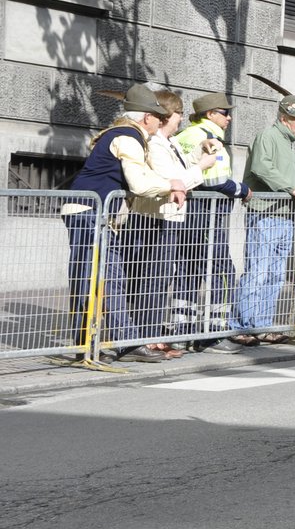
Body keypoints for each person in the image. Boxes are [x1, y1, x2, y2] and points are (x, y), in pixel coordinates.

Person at [61, 84, 191, 363]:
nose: (160, 120)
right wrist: (172, 184)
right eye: (157, 116)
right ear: (146, 117)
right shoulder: (130, 137)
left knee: (92, 278)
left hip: (90, 211)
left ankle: (87, 344)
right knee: (108, 278)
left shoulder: (120, 134)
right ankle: (125, 343)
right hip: (91, 212)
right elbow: (139, 183)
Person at [136, 88, 219, 357]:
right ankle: (146, 337)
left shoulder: (167, 142)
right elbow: (175, 180)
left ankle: (152, 335)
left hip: (170, 217)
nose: (181, 119)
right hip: (157, 216)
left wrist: (197, 153)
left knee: (161, 277)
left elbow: (179, 171)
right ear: (166, 115)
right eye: (179, 114)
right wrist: (203, 167)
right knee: (153, 278)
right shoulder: (156, 144)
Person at [229, 95, 295, 345]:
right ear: (284, 118)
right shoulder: (268, 136)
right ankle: (241, 326)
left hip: (284, 216)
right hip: (265, 214)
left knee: (275, 275)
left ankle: (262, 325)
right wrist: (289, 188)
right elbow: (261, 168)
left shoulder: (287, 143)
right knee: (258, 271)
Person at [174, 93, 251, 352]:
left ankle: (181, 329)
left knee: (188, 269)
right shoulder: (210, 138)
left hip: (185, 213)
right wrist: (242, 189)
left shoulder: (183, 135)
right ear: (210, 114)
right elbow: (215, 181)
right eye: (224, 113)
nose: (229, 118)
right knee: (222, 270)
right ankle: (216, 333)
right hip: (208, 214)